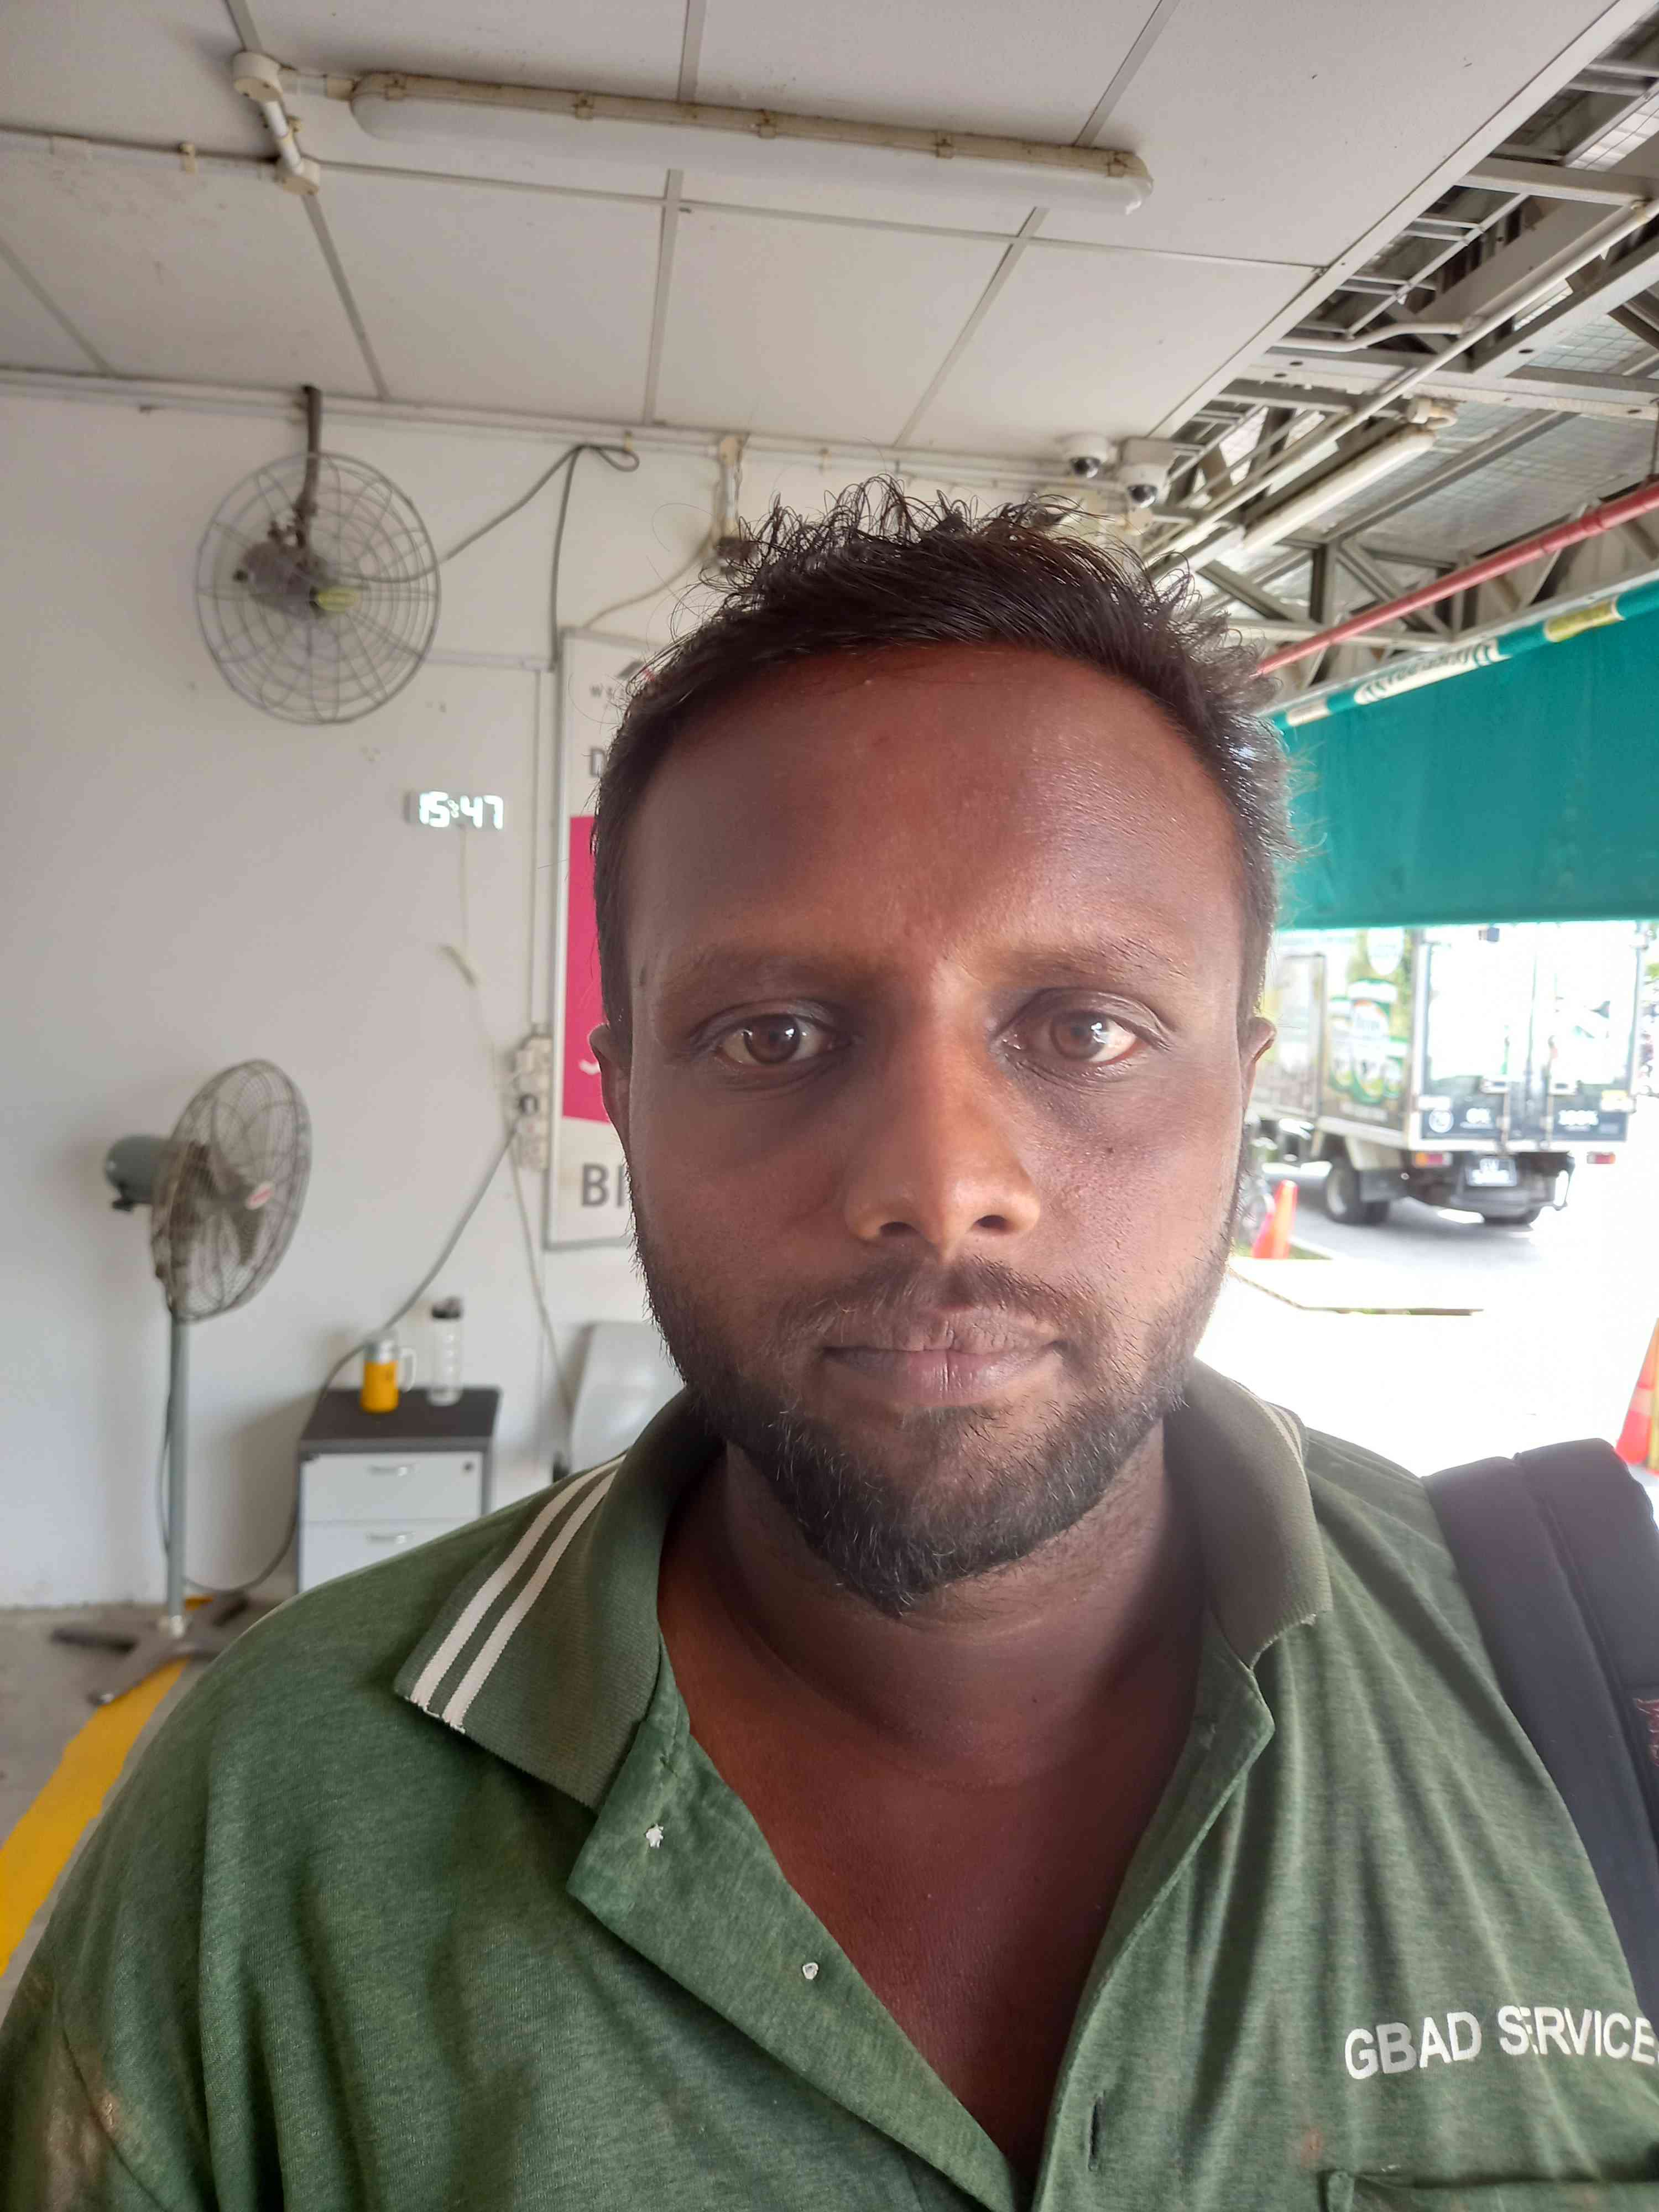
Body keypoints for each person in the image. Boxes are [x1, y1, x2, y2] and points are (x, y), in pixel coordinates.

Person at [4, 486, 1656, 2207]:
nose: (938, 1188)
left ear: (1241, 1095)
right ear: (627, 1097)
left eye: (1087, 1028)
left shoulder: (1592, 1689)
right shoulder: (266, 1821)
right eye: (772, 1035)